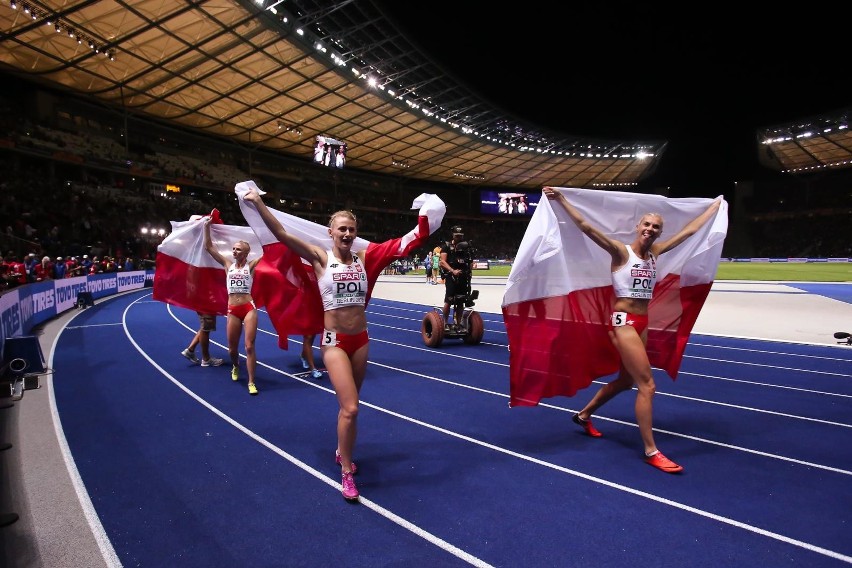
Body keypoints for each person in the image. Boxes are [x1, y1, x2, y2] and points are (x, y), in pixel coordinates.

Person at [543, 186, 721, 474]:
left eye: (656, 227)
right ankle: (651, 450)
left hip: (642, 322)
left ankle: (584, 414)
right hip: (622, 321)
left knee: (626, 381)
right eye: (647, 225)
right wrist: (562, 199)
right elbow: (586, 227)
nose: (650, 230)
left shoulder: (656, 254)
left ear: (659, 233)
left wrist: (713, 208)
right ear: (638, 227)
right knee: (647, 385)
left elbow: (688, 232)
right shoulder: (620, 251)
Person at [203, 220, 262, 395]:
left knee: (249, 346)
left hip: (248, 307)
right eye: (234, 248)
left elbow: (269, 253)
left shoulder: (252, 266)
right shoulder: (227, 265)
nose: (234, 251)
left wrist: (268, 233)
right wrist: (206, 227)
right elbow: (209, 247)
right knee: (232, 348)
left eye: (238, 249)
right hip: (232, 309)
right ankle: (236, 366)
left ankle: (251, 381)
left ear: (246, 253)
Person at [438, 225, 472, 329]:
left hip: (462, 276)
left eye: (460, 236)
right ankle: (444, 322)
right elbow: (442, 262)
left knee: (461, 301)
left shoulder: (466, 247)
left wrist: (469, 272)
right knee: (449, 300)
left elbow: (470, 260)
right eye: (457, 236)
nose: (459, 238)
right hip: (451, 276)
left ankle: (458, 324)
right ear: (453, 235)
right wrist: (453, 271)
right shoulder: (446, 246)